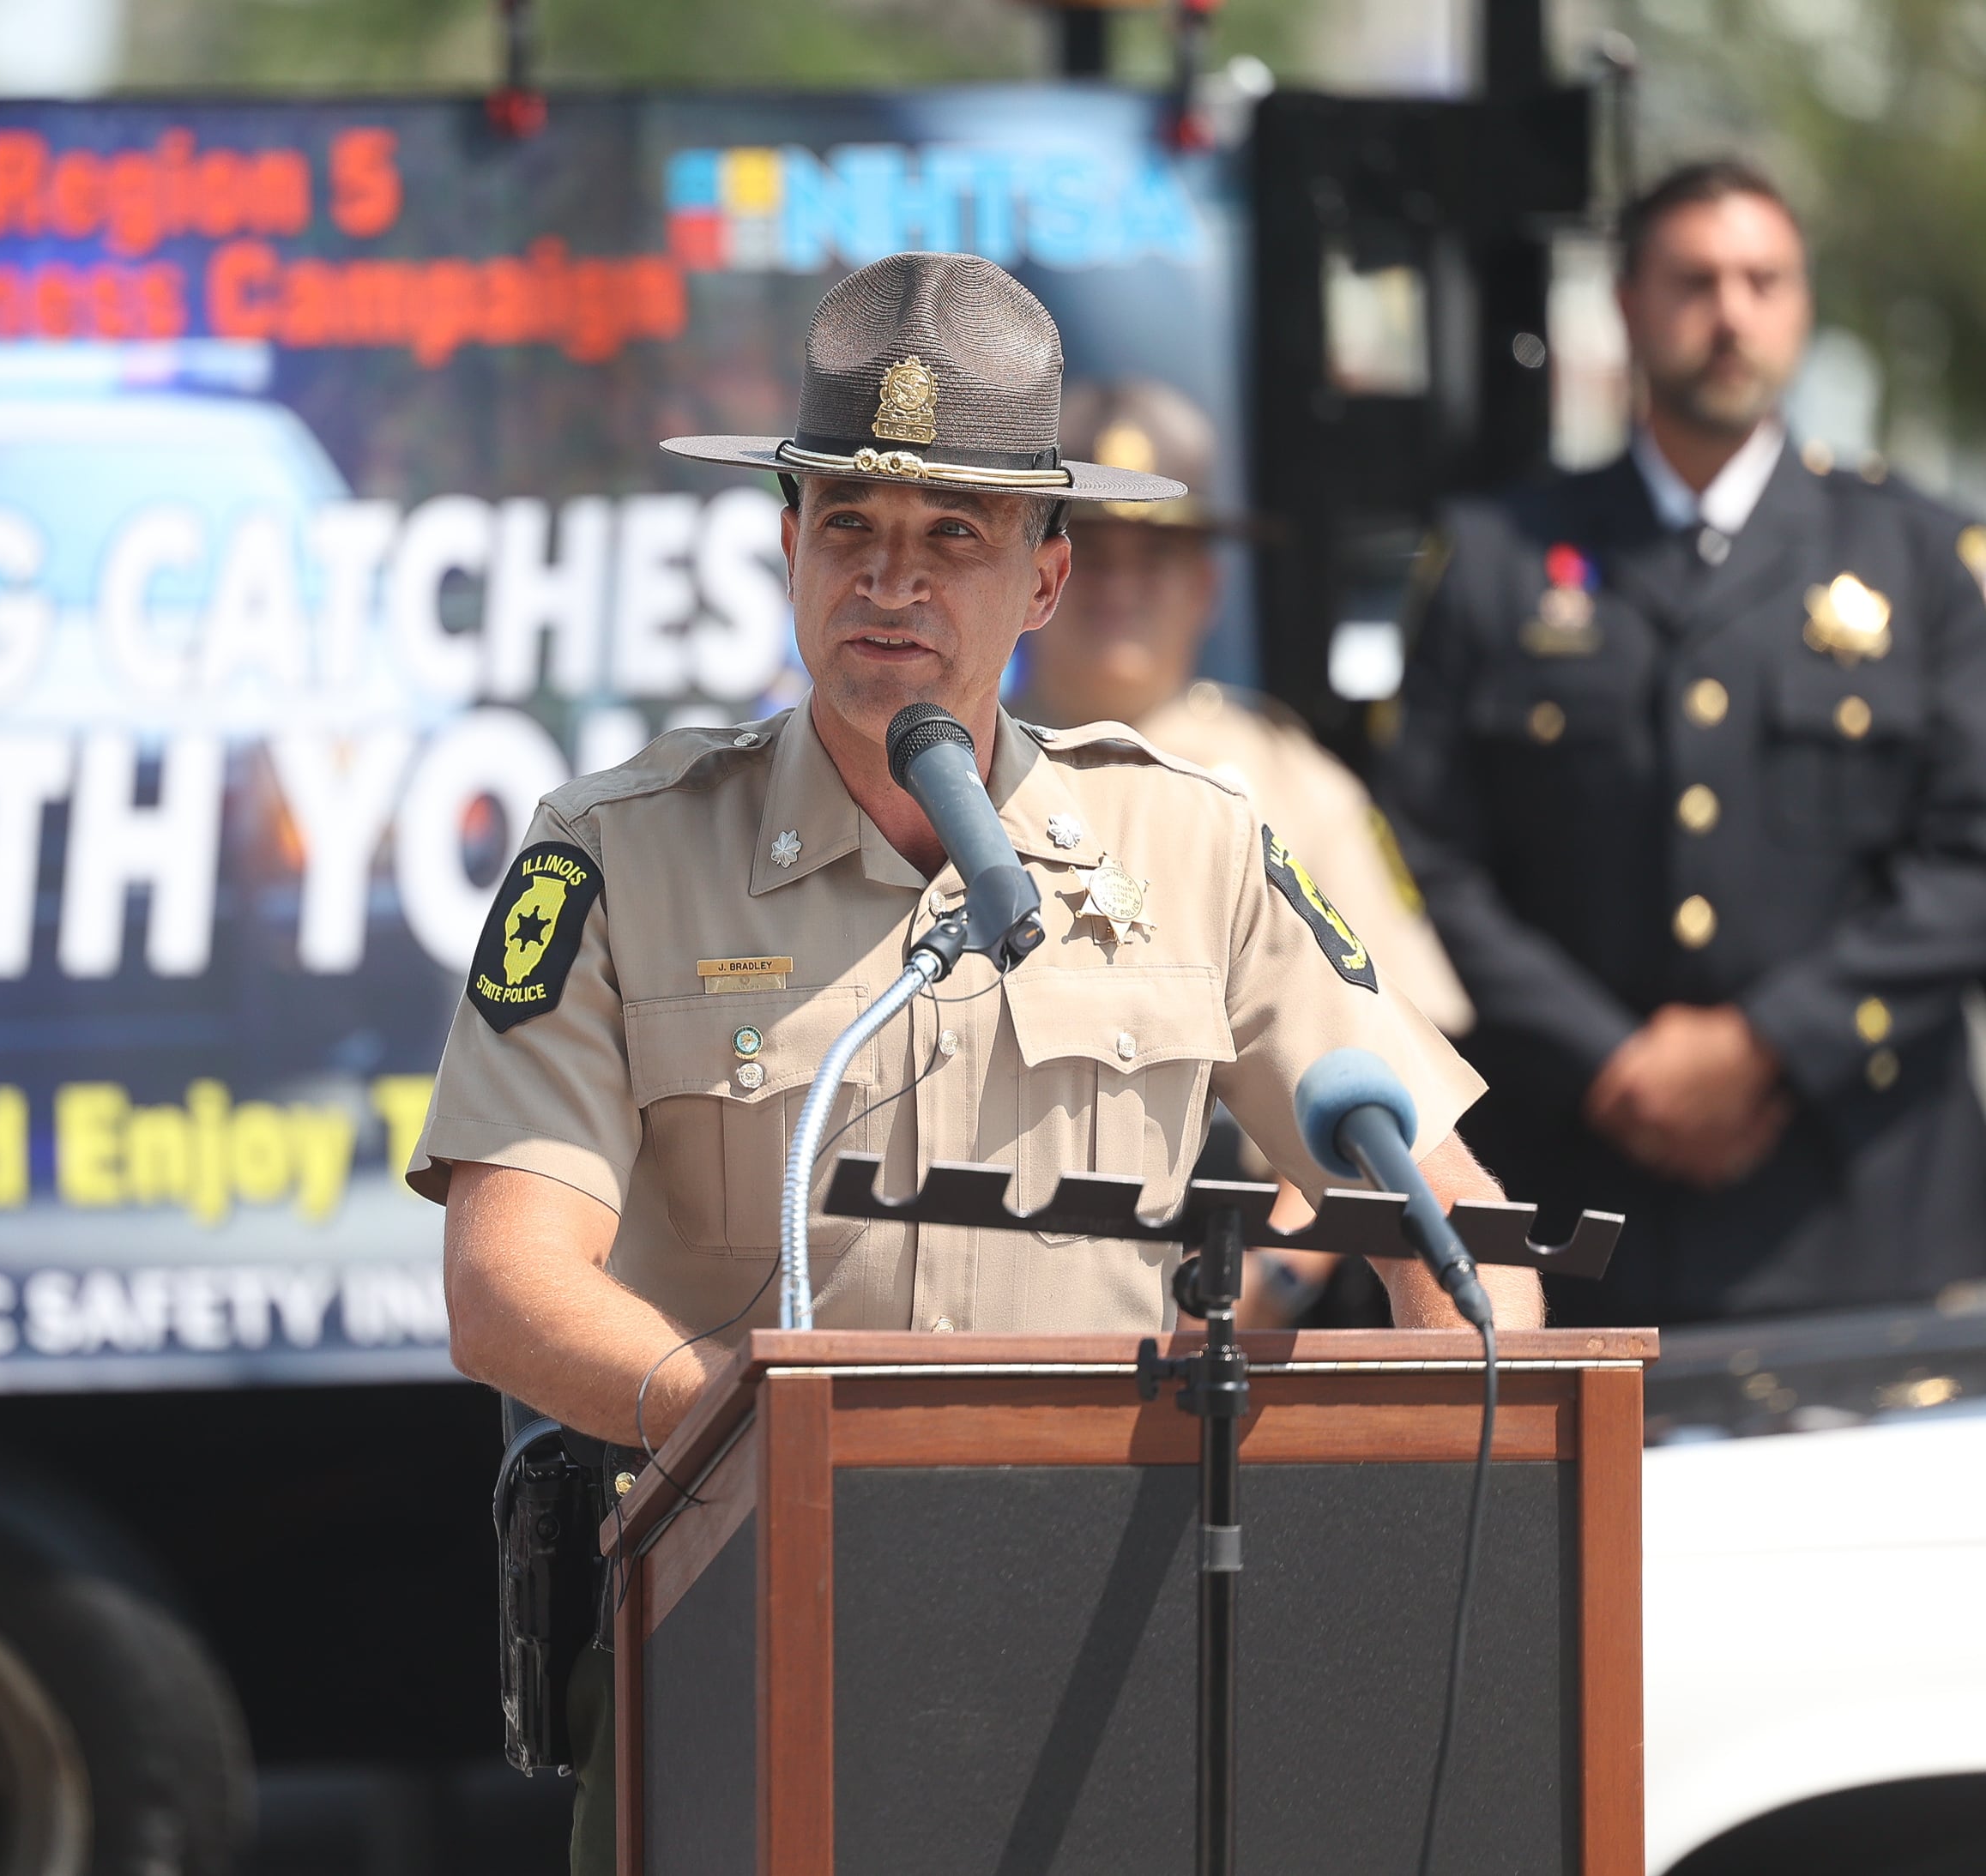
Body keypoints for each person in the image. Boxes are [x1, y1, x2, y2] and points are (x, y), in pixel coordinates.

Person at [407, 251, 1542, 1875]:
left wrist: (1431, 1563)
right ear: (787, 547)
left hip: (1100, 1653)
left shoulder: (1197, 847)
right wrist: (728, 1423)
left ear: (1048, 578)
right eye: (852, 532)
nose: (895, 583)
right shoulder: (618, 855)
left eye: (957, 534)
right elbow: (504, 1279)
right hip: (743, 1638)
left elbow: (1459, 1245)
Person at [1382, 158, 1986, 1329]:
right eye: (1694, 280)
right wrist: (1611, 1062)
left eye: (1764, 280)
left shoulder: (1922, 556)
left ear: (1803, 304)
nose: (1731, 313)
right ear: (1626, 304)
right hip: (1572, 1198)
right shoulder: (1498, 557)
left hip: (1861, 1208)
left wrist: (1768, 1045)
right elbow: (1424, 857)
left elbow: (1972, 858)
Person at [1020, 377, 1475, 1324]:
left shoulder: (1293, 783)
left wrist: (1261, 1282)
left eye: (1157, 559)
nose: (1120, 591)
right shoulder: (949, 776)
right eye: (1092, 555)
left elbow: (1389, 1093)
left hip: (1237, 1288)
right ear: (1039, 573)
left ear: (1208, 585)